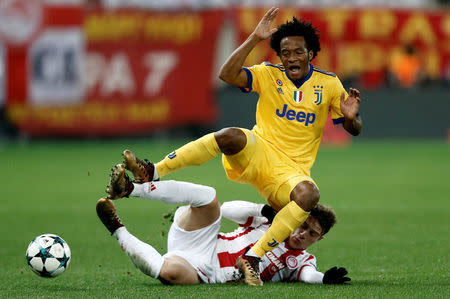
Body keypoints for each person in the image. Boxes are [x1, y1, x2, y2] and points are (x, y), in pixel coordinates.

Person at [118, 7, 362, 285]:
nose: (291, 57)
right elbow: (227, 74)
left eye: (298, 51)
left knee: (309, 195)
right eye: (285, 52)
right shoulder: (269, 73)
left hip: (290, 173)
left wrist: (352, 118)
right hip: (260, 152)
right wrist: (254, 39)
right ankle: (153, 172)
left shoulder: (329, 84)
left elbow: (353, 128)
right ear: (279, 55)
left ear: (310, 53)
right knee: (230, 135)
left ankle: (253, 257)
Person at [97, 164, 350, 285]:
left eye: (311, 233)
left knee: (168, 274)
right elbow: (227, 209)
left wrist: (324, 278)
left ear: (319, 239)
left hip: (205, 272)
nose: (301, 233)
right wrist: (264, 210)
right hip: (203, 239)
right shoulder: (270, 221)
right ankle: (131, 189)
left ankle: (118, 230)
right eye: (302, 224)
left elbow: (307, 276)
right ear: (296, 216)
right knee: (209, 196)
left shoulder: (302, 261)